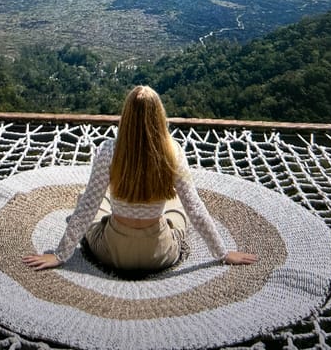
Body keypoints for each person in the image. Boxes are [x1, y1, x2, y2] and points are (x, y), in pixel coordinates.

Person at [22, 85, 258, 272]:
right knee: (179, 206)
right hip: (160, 254)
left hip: (111, 251)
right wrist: (223, 253)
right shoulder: (173, 151)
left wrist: (60, 254)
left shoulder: (109, 150)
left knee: (90, 199)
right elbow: (195, 208)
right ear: (159, 116)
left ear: (126, 116)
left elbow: (87, 207)